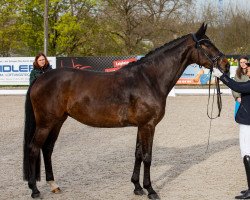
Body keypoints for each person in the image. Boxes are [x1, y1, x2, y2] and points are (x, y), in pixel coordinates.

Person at [213, 62, 250, 199]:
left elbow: (236, 86)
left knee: (246, 154)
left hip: (248, 123)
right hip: (247, 122)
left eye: (249, 68)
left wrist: (222, 76)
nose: (246, 69)